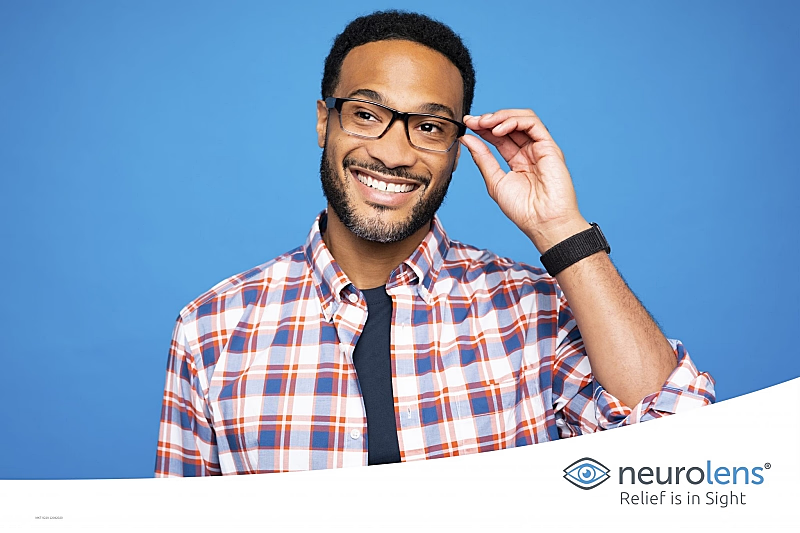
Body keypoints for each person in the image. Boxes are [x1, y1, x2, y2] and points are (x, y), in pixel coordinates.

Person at [155, 10, 714, 477]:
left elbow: (679, 453)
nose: (394, 154)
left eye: (428, 127)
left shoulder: (535, 310)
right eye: (366, 115)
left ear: (457, 147)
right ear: (324, 122)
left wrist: (560, 229)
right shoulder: (211, 329)